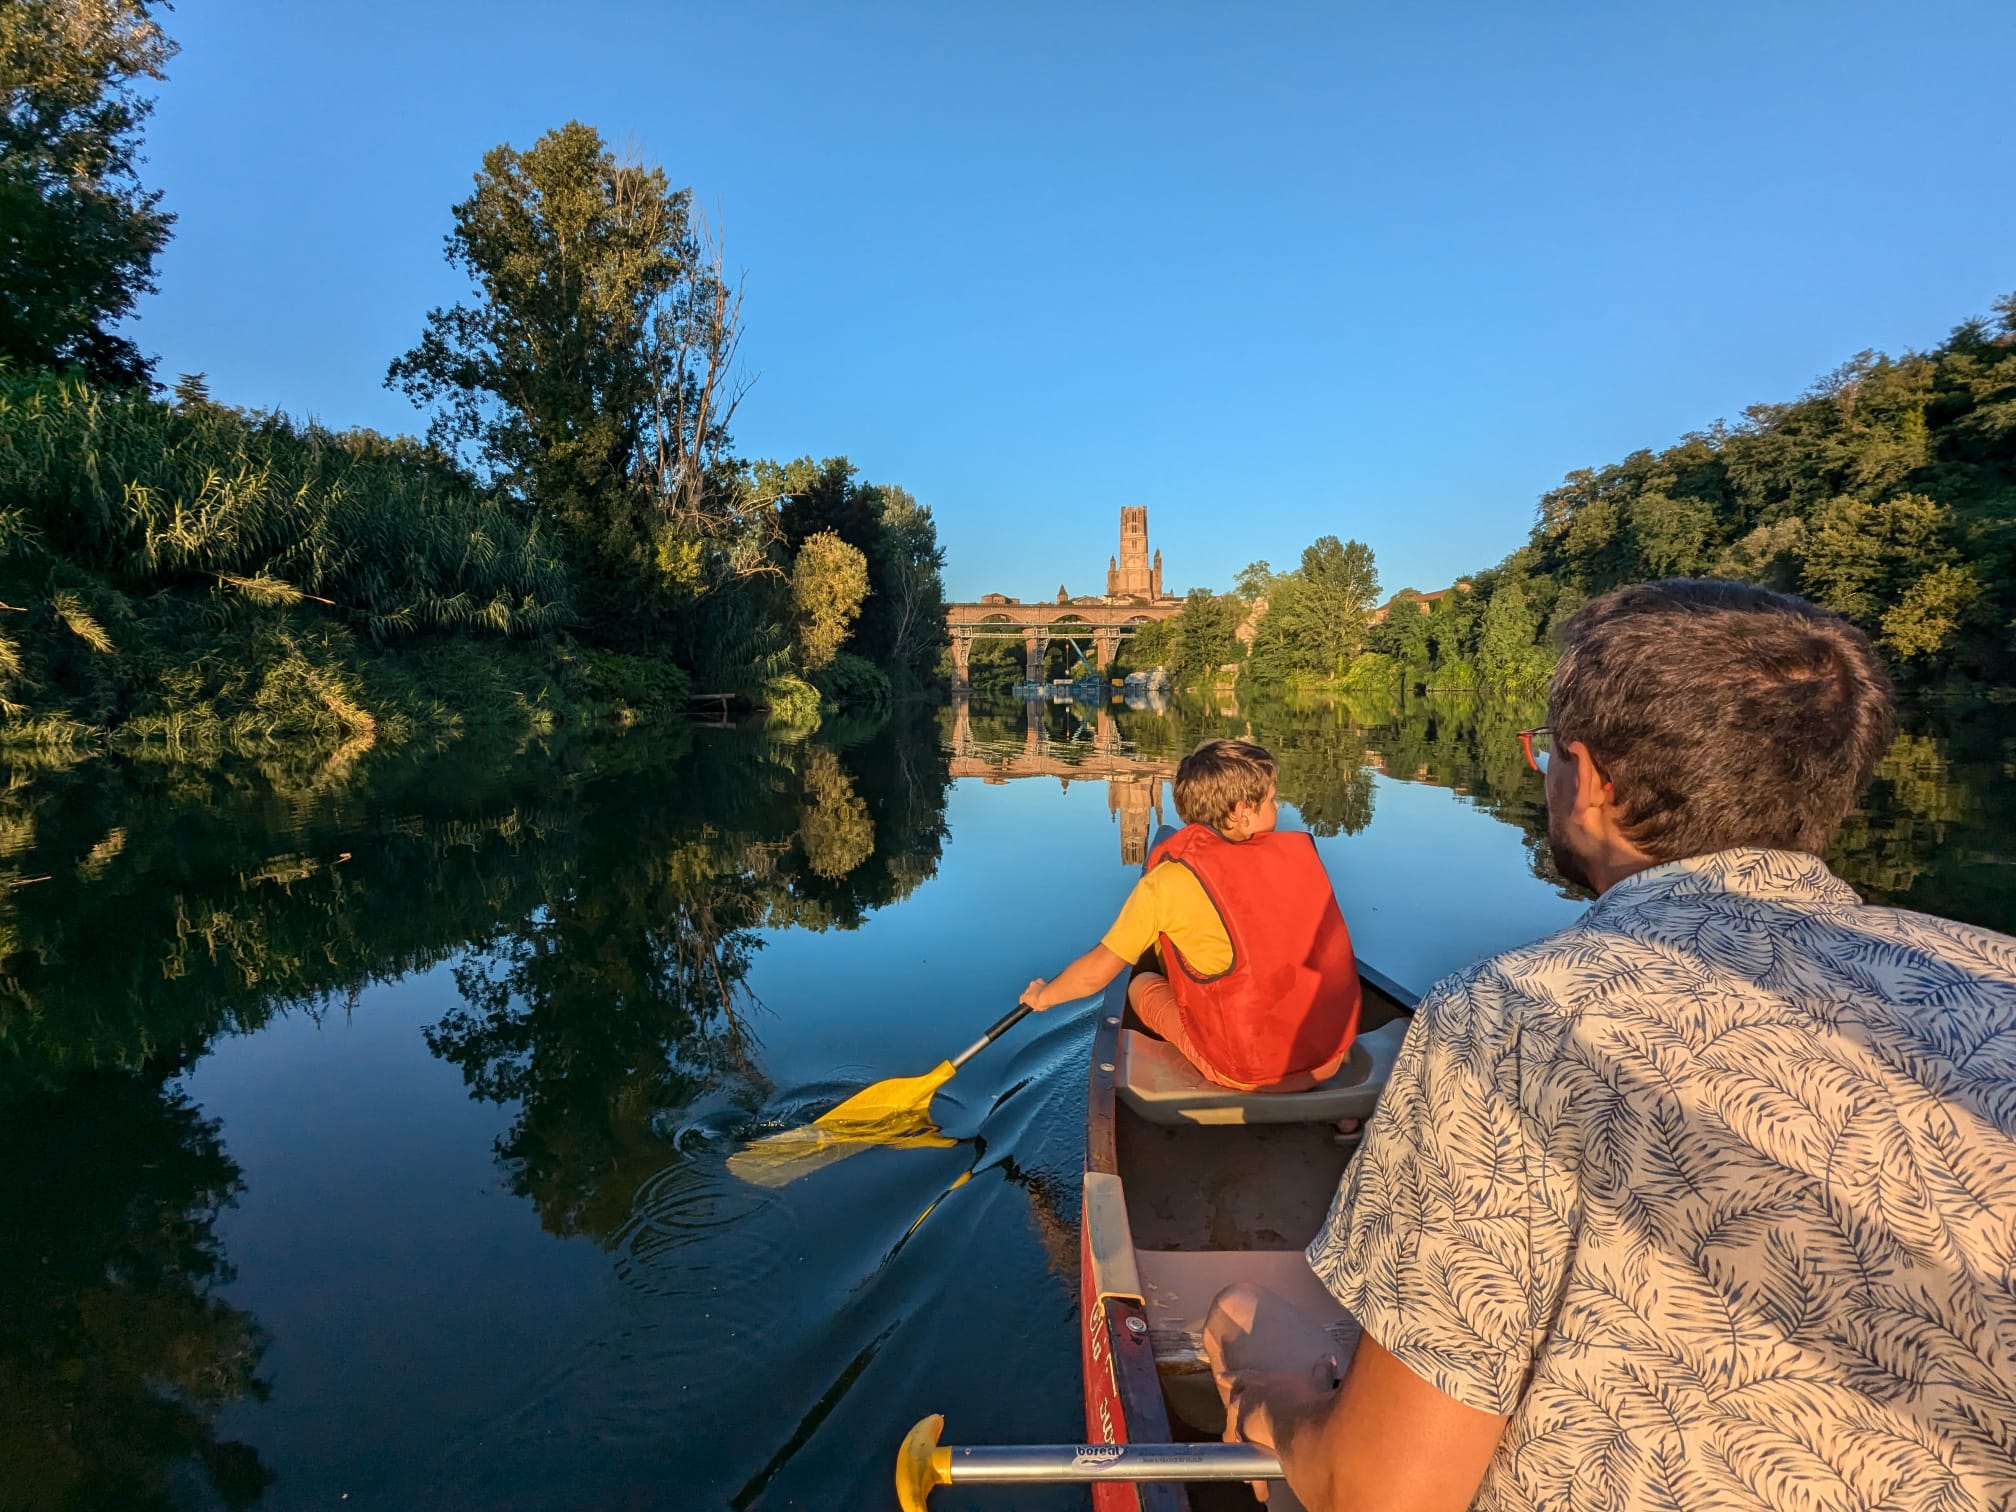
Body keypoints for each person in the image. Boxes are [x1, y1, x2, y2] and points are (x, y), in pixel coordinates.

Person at [1203, 579, 2016, 1512]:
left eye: (1546, 753)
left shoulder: (1512, 1018)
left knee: (1247, 1327)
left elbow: (1384, 1495)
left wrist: (1270, 1401)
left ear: (1588, 781)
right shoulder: (2001, 983)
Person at [1019, 737, 1361, 1091]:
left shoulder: (1168, 881)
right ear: (1243, 812)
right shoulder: (1298, 861)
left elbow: (1095, 974)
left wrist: (1043, 996)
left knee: (1140, 985)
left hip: (1247, 1072)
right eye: (1273, 800)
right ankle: (1347, 1116)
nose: (1278, 806)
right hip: (1329, 1059)